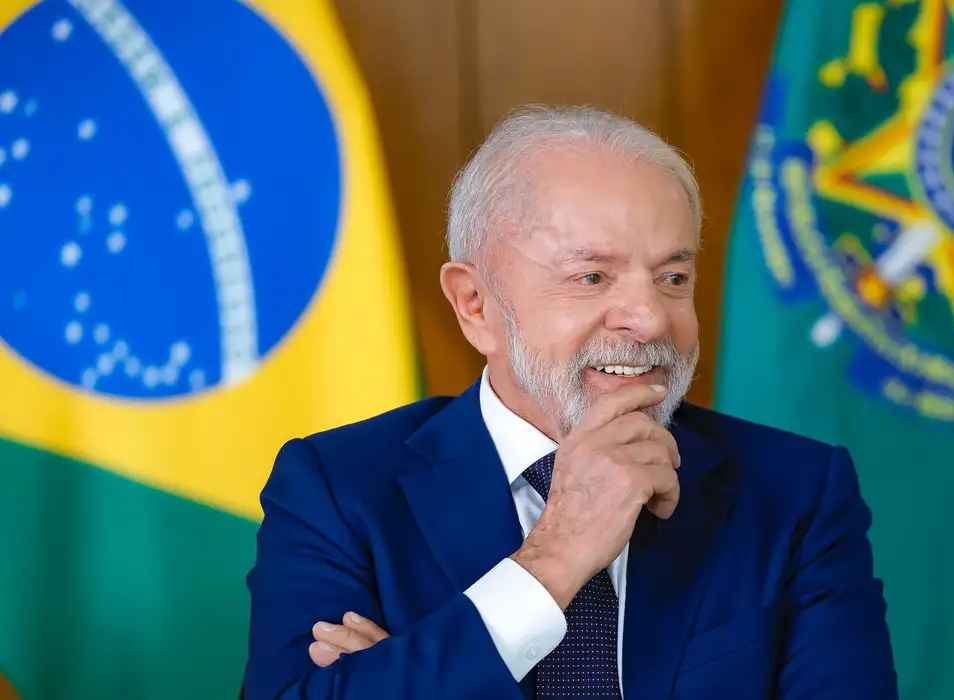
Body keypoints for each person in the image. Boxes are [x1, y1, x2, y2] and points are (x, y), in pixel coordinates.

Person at [243, 104, 898, 699]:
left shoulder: (798, 493)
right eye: (592, 277)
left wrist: (404, 676)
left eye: (673, 277)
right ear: (475, 305)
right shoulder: (337, 489)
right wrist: (552, 560)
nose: (650, 317)